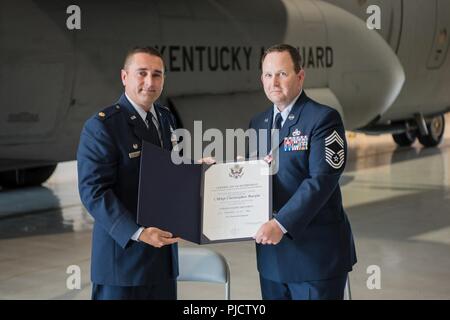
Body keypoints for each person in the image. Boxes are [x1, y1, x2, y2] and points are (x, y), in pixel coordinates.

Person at [250, 44, 357, 300]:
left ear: (300, 76)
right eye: (267, 75)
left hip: (315, 258)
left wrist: (281, 223)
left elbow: (321, 181)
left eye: (282, 74)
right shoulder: (258, 123)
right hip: (272, 258)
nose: (274, 82)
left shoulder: (324, 119)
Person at [77, 47, 180, 300]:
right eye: (141, 73)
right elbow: (94, 191)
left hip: (162, 260)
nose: (149, 82)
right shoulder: (103, 126)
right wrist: (139, 233)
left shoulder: (166, 120)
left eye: (157, 75)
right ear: (124, 77)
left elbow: (167, 176)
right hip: (122, 264)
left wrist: (196, 172)